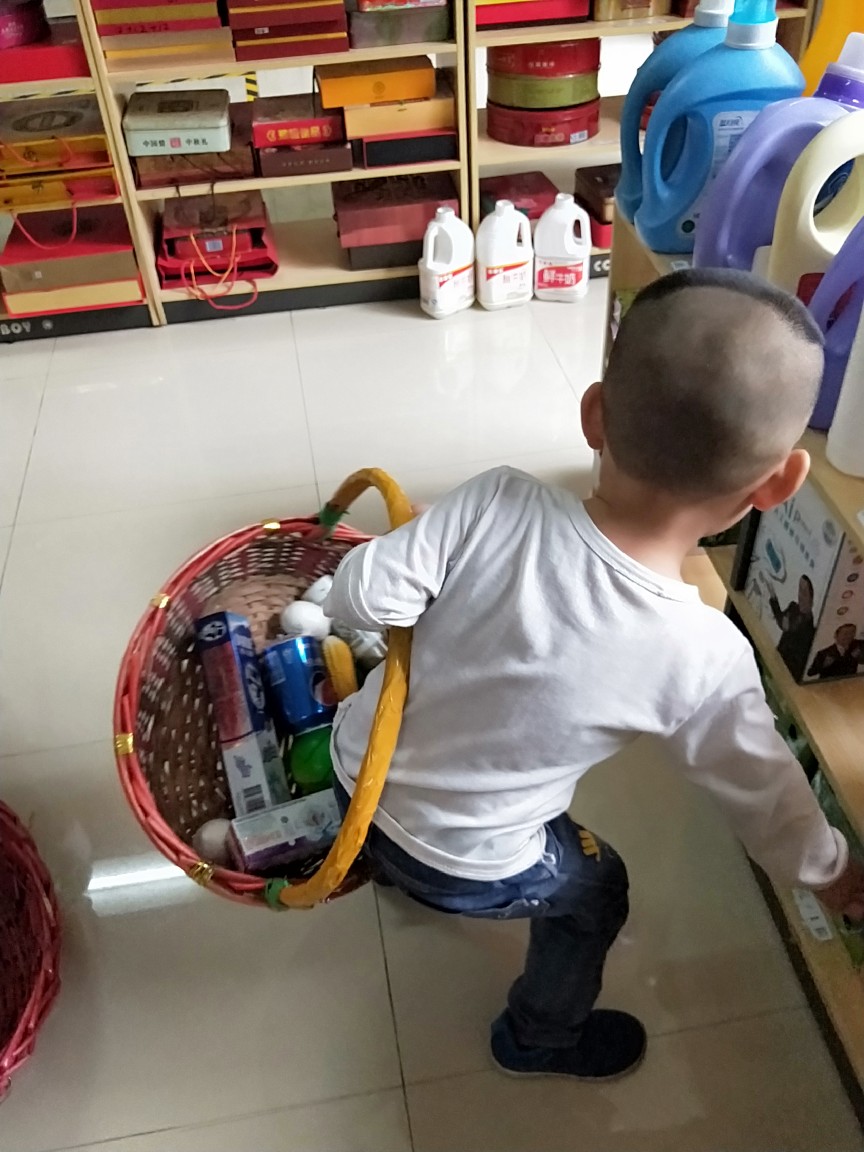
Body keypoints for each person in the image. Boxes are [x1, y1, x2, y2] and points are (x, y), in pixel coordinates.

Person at [323, 268, 864, 1084]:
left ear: (593, 415)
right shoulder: (703, 654)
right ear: (779, 485)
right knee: (597, 887)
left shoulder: (495, 500)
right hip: (467, 859)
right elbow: (766, 794)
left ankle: (388, 869)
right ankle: (540, 1036)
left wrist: (433, 561)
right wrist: (830, 871)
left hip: (351, 781)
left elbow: (357, 598)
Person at [768, 573, 816, 681]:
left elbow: (797, 632)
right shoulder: (793, 607)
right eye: (800, 590)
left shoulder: (809, 621)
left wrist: (788, 629)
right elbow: (781, 621)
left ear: (811, 598)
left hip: (791, 668)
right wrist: (773, 598)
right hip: (779, 656)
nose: (801, 596)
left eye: (804, 592)